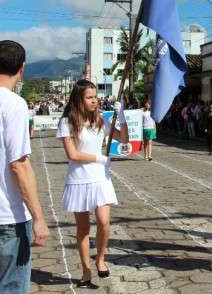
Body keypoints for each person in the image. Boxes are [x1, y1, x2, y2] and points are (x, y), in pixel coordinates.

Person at [57, 80, 129, 288]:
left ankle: (100, 259)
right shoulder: (67, 122)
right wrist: (99, 158)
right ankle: (86, 270)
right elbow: (73, 154)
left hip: (100, 178)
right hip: (79, 179)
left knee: (104, 221)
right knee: (83, 228)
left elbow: (123, 139)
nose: (94, 100)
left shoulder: (99, 120)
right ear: (79, 99)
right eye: (89, 97)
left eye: (95, 96)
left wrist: (121, 116)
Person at [0, 40, 49, 293]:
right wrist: (38, 217)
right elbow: (19, 165)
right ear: (22, 67)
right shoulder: (14, 104)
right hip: (7, 218)